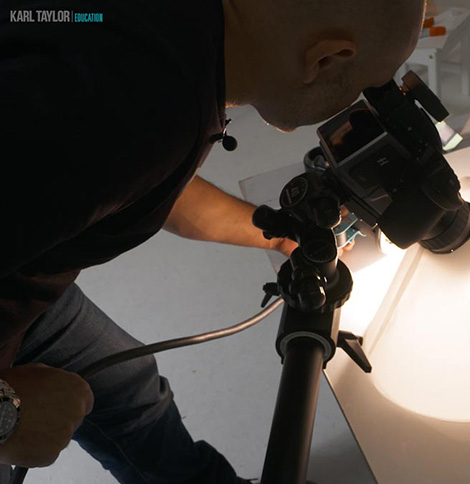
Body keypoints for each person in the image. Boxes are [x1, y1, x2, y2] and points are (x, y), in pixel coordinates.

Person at [0, 0, 424, 481]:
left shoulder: (170, 41)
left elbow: (134, 181)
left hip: (24, 289)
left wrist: (285, 238)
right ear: (324, 60)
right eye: (364, 88)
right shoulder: (135, 108)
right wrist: (7, 414)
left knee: (127, 389)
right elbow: (118, 138)